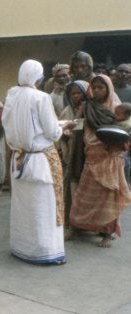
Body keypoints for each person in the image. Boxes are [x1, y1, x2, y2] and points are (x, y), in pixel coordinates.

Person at [2, 59, 75, 265]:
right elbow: (51, 132)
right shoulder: (41, 97)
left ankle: (22, 247)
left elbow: (17, 124)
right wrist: (64, 127)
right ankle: (45, 251)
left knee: (24, 206)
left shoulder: (11, 95)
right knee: (44, 206)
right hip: (40, 159)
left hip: (19, 157)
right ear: (39, 77)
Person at [69, 75, 131, 248]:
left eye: (100, 87)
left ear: (108, 89)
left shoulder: (117, 109)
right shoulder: (87, 106)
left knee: (107, 199)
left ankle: (106, 233)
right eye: (94, 87)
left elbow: (124, 134)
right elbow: (77, 125)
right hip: (91, 156)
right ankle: (77, 228)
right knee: (83, 196)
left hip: (111, 158)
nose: (96, 90)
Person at [58, 80, 88, 227]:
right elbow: (60, 134)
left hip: (88, 156)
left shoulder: (92, 111)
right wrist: (65, 134)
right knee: (71, 189)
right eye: (73, 93)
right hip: (72, 157)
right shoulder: (67, 111)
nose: (76, 96)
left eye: (79, 93)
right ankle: (72, 224)